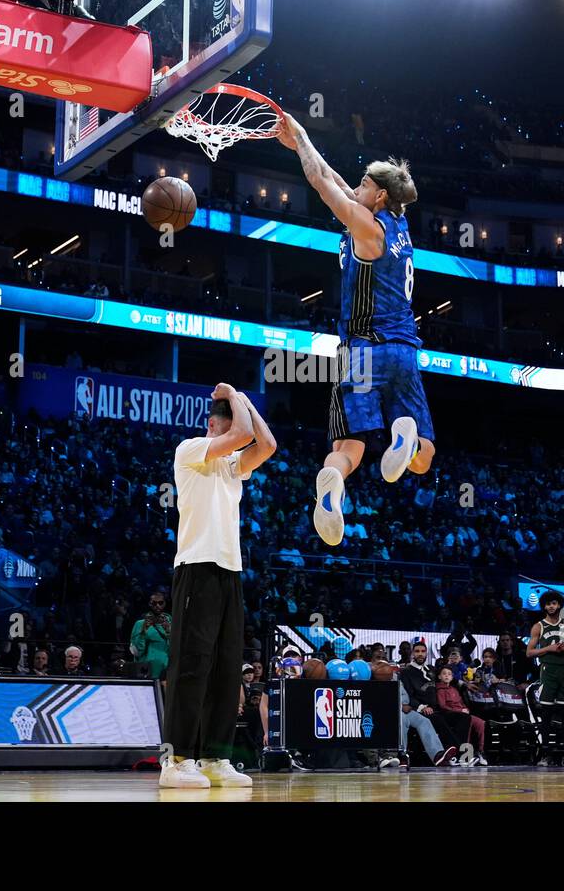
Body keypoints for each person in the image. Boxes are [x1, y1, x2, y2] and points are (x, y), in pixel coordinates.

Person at [276, 114, 436, 546]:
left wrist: (304, 137)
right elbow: (334, 180)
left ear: (379, 195)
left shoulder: (365, 228)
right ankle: (404, 436)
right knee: (425, 458)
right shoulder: (397, 225)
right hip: (404, 351)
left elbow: (321, 183)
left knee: (349, 447)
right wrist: (301, 145)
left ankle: (332, 477)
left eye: (363, 184)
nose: (356, 187)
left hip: (362, 352)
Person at [161, 383, 276, 789]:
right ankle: (176, 759)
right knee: (191, 665)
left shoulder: (231, 465)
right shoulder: (190, 449)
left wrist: (242, 398)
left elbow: (266, 443)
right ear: (213, 426)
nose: (234, 442)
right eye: (226, 431)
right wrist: (232, 394)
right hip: (196, 566)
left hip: (230, 569)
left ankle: (214, 757)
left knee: (227, 670)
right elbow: (243, 435)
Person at [529, 590, 564, 766]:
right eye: (547, 604)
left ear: (559, 605)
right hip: (547, 671)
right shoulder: (539, 626)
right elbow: (529, 652)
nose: (551, 606)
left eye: (554, 603)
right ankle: (546, 755)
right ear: (544, 606)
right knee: (547, 714)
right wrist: (548, 649)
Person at [434, 665, 487, 766]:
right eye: (444, 674)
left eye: (449, 674)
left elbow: (461, 702)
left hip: (462, 712)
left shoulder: (454, 689)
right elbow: (443, 705)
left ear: (452, 677)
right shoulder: (439, 689)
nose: (446, 676)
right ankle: (465, 756)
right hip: (451, 714)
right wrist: (459, 710)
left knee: (480, 723)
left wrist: (465, 709)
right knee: (467, 723)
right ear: (439, 676)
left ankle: (480, 751)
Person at [398, 681, 456, 766]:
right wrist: (399, 706)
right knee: (401, 720)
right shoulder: (376, 679)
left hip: (404, 709)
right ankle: (402, 755)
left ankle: (437, 755)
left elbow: (405, 696)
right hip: (393, 710)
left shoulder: (395, 677)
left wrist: (405, 705)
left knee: (424, 721)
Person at [130, 592, 172, 679]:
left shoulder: (171, 622)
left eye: (160, 603)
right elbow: (136, 651)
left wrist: (169, 631)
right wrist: (144, 631)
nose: (157, 605)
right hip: (149, 670)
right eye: (154, 603)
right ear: (149, 604)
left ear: (165, 603)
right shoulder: (140, 624)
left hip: (169, 668)